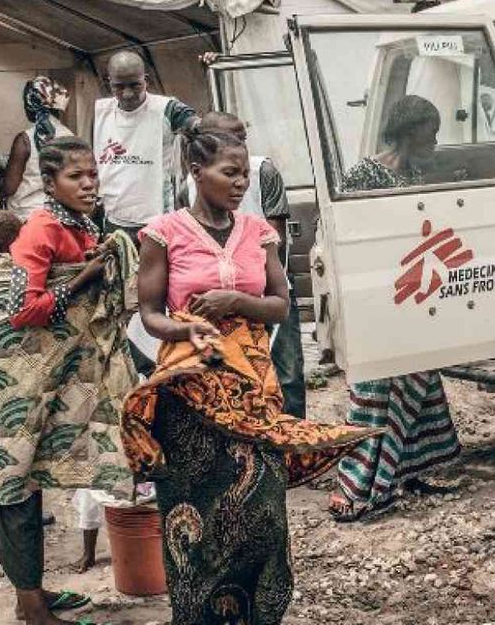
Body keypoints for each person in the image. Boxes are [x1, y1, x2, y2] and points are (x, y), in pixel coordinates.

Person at [121, 129, 374, 624]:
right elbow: (149, 313)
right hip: (190, 389)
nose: (240, 183)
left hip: (253, 386)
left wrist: (236, 303)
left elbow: (282, 305)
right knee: (196, 516)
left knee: (263, 515)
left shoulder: (259, 232)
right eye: (229, 173)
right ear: (197, 173)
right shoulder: (162, 232)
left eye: (244, 174)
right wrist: (189, 327)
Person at [0, 137, 138, 625]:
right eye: (77, 177)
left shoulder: (80, 223)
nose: (89, 185)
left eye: (93, 175)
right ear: (50, 183)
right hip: (14, 377)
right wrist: (85, 277)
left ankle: (29, 593)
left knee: (29, 475)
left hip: (49, 379)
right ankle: (31, 605)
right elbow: (22, 310)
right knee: (14, 474)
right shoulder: (42, 227)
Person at [328, 96, 464, 521]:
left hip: (414, 290)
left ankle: (419, 469)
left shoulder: (419, 172)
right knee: (375, 389)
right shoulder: (364, 174)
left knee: (421, 378)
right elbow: (349, 237)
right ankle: (360, 482)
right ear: (408, 132)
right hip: (377, 294)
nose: (436, 142)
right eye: (431, 132)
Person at [192, 111, 305, 417]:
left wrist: (252, 293)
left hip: (266, 289)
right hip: (217, 301)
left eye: (242, 137)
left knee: (286, 371)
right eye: (230, 138)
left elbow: (276, 242)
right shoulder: (190, 182)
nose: (239, 144)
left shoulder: (262, 171)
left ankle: (294, 447)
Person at [93, 50, 206, 241]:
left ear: (146, 80)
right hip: (113, 219)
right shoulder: (101, 112)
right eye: (119, 87)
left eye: (135, 85)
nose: (127, 94)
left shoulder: (167, 109)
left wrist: (209, 75)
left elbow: (201, 128)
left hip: (157, 219)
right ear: (108, 83)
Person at [0, 76, 74, 218]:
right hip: (60, 214)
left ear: (30, 104)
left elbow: (9, 187)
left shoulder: (25, 140)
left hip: (27, 216)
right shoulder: (70, 137)